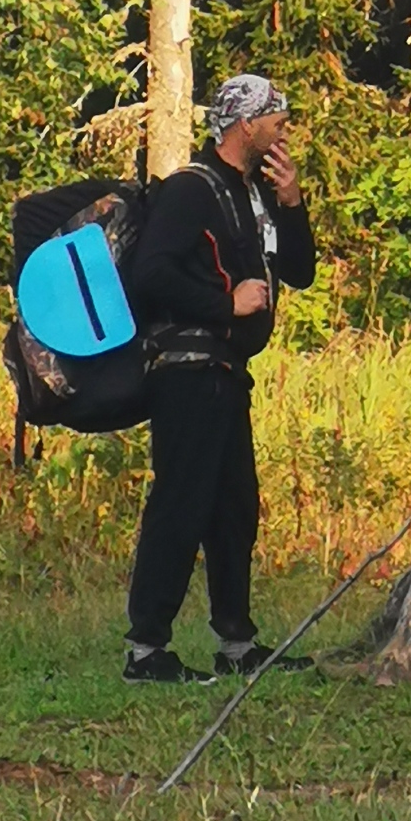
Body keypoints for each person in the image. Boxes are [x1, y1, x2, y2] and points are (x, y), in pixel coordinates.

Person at [121, 74, 315, 684]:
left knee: (234, 510)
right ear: (243, 125)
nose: (283, 127)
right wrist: (225, 301)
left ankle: (237, 644)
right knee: (181, 504)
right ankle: (145, 651)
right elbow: (150, 274)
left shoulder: (254, 193)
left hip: (228, 374)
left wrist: (292, 203)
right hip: (186, 372)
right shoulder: (190, 190)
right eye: (274, 118)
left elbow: (301, 273)